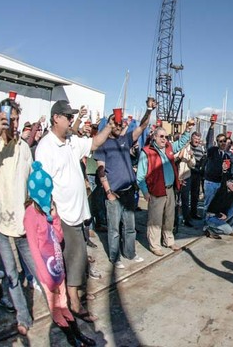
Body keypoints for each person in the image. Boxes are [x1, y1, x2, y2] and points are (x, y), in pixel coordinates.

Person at [35, 100, 114, 323]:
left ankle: (74, 294)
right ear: (56, 118)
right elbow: (43, 183)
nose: (72, 120)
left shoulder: (71, 141)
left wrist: (109, 126)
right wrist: (52, 213)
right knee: (76, 256)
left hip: (79, 212)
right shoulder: (46, 147)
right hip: (64, 214)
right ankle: (75, 304)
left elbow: (95, 143)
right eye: (68, 117)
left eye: (72, 117)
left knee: (75, 258)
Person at [24, 161, 96, 346]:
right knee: (56, 306)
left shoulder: (50, 207)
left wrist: (55, 218)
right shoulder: (30, 215)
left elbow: (59, 237)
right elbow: (33, 247)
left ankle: (77, 333)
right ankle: (72, 338)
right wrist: (44, 276)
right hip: (46, 269)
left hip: (57, 264)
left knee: (64, 303)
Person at [0, 98, 37, 335]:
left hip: (23, 222)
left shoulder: (24, 147)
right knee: (11, 276)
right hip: (0, 224)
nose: (14, 124)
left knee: (38, 270)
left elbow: (33, 180)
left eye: (17, 119)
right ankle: (23, 317)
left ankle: (60, 310)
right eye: (10, 119)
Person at [93, 100, 154, 269]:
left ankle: (130, 253)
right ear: (110, 125)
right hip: (114, 193)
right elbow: (101, 169)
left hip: (128, 192)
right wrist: (108, 192)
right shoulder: (103, 144)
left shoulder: (125, 139)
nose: (119, 126)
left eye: (120, 123)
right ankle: (115, 257)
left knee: (130, 227)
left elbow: (142, 127)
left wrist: (149, 110)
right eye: (116, 123)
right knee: (113, 230)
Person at [136, 119, 195, 256]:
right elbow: (140, 176)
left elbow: (180, 144)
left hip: (169, 189)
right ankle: (155, 245)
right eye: (161, 136)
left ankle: (169, 240)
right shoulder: (146, 152)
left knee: (169, 217)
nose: (164, 139)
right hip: (156, 191)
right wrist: (145, 192)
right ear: (154, 137)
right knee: (155, 220)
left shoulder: (168, 147)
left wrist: (187, 130)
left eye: (166, 137)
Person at [188, 131, 206, 223]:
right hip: (188, 173)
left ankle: (193, 213)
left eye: (198, 139)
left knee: (195, 195)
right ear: (191, 138)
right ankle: (186, 215)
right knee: (186, 195)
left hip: (197, 174)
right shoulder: (187, 147)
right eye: (195, 138)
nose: (197, 141)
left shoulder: (200, 148)